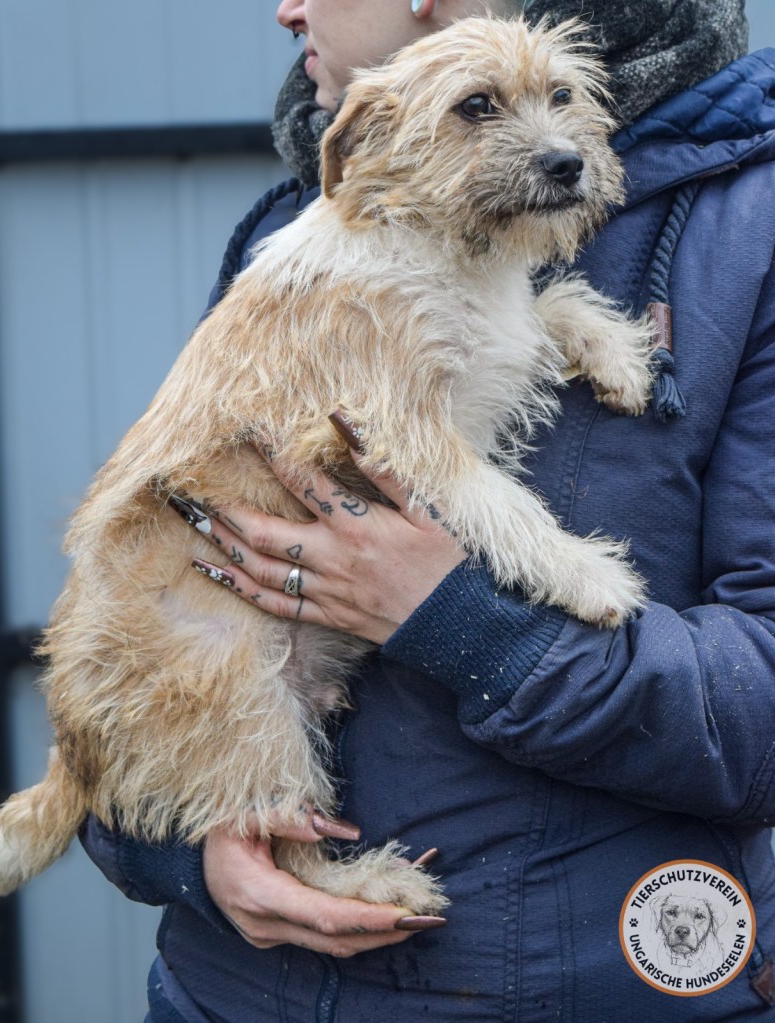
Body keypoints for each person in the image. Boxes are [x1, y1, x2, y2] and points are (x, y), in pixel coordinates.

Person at [81, 0, 775, 1019]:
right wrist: (189, 854)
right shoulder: (302, 228)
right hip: (231, 991)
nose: (286, 8)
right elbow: (134, 598)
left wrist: (466, 626)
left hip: (581, 984)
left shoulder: (745, 231)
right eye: (480, 108)